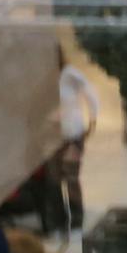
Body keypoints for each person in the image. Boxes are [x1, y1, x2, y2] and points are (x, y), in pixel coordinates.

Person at [57, 51, 99, 231]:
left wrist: (93, 118)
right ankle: (63, 217)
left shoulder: (69, 74)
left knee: (71, 175)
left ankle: (77, 217)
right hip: (56, 137)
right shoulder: (46, 78)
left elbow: (90, 92)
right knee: (57, 178)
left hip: (73, 134)